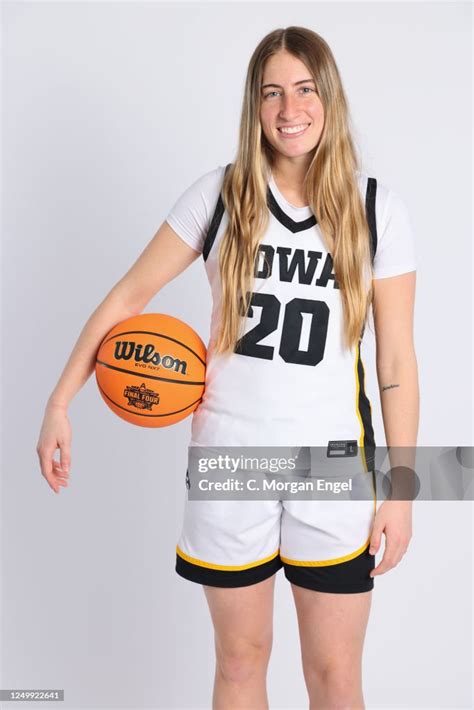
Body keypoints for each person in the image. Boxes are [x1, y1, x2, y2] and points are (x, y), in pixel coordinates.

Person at [37, 26, 418, 710]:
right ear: (254, 105)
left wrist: (402, 487)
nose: (289, 108)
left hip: (332, 467)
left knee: (334, 676)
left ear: (328, 96)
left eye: (304, 89)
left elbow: (395, 361)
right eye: (271, 92)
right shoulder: (220, 194)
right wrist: (60, 401)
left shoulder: (375, 209)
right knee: (240, 664)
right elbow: (129, 297)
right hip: (230, 461)